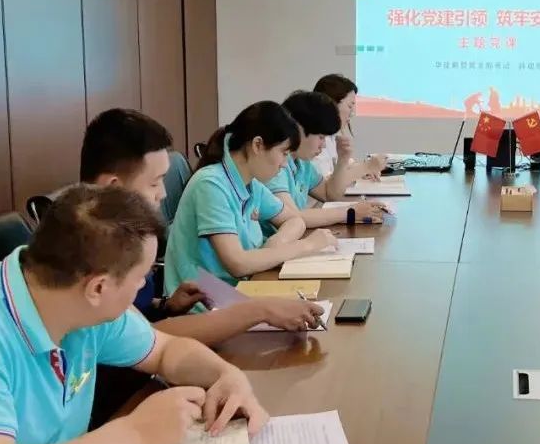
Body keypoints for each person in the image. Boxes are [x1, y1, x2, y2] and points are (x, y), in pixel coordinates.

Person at [0, 185, 268, 444]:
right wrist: (135, 431)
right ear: (98, 286)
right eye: (140, 277)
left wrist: (225, 375)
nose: (143, 287)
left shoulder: (75, 298)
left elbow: (166, 350)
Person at [81, 108, 327, 340]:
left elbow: (133, 317)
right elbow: (145, 340)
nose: (163, 194)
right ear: (112, 188)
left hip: (199, 313)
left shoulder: (124, 239)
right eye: (155, 183)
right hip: (164, 345)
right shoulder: (89, 258)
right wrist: (260, 311)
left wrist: (165, 306)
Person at [164, 101, 336, 293]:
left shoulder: (252, 185)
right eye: (283, 153)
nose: (284, 164)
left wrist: (276, 245)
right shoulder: (211, 184)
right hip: (205, 298)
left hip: (242, 287)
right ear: (257, 145)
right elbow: (238, 263)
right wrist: (306, 246)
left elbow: (295, 220)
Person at [265, 91, 390, 234]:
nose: (323, 145)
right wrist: (350, 212)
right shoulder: (277, 164)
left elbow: (329, 194)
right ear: (297, 129)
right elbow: (292, 217)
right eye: (321, 137)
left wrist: (343, 159)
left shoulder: (302, 164)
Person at [311, 74, 386, 199]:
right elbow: (328, 187)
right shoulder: (313, 141)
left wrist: (362, 169)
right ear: (332, 104)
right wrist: (365, 167)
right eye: (350, 106)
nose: (352, 113)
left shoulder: (331, 137)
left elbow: (342, 168)